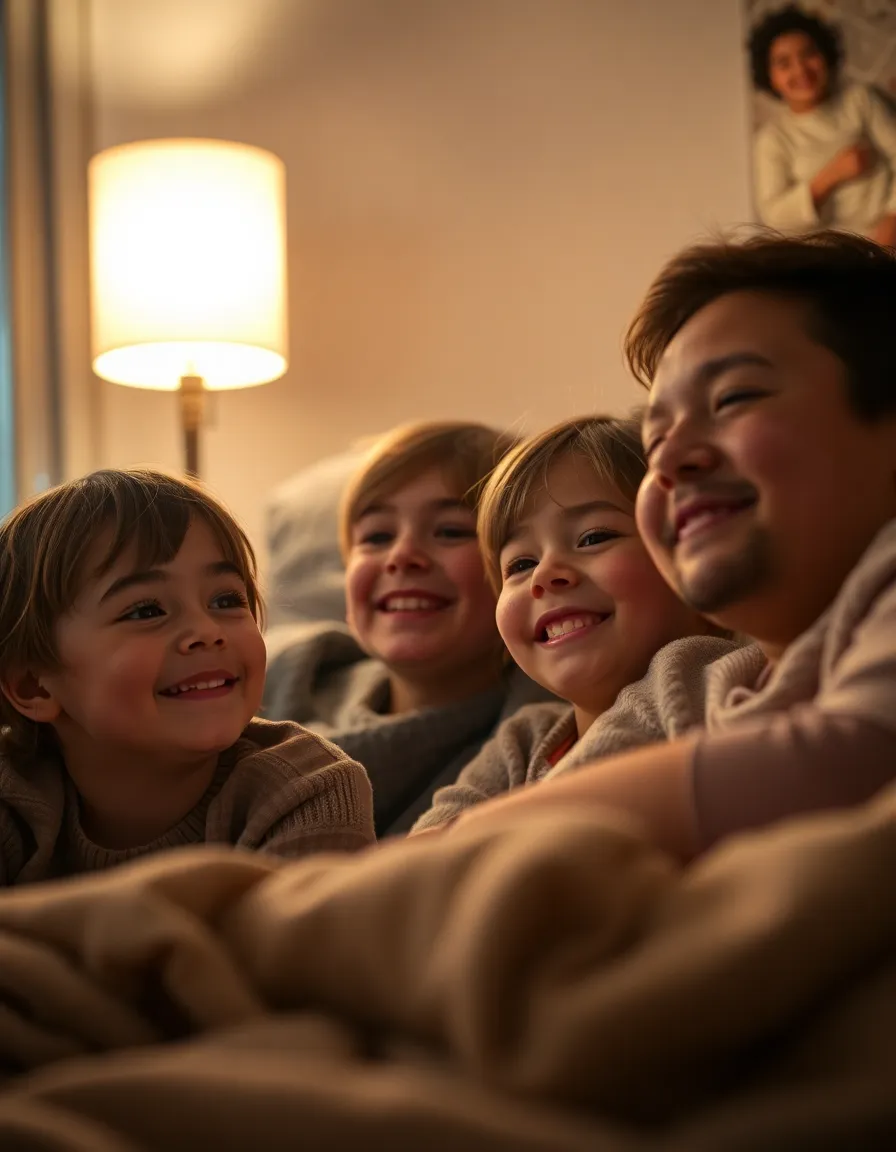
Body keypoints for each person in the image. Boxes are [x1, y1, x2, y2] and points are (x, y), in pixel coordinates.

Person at [442, 229, 896, 862]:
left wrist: (457, 854)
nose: (674, 458)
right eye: (656, 443)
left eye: (734, 397)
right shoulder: (736, 688)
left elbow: (849, 757)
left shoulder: (683, 685)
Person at [0, 469, 375, 884]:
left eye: (225, 599)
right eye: (146, 611)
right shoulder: (11, 796)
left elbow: (296, 946)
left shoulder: (311, 789)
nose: (207, 632)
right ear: (33, 686)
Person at [411, 415, 735, 833]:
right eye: (521, 563)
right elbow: (428, 844)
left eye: (593, 537)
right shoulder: (524, 740)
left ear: (691, 561)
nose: (546, 574)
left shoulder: (703, 673)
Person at [262, 421, 551, 836]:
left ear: (520, 568)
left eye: (450, 531)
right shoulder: (287, 681)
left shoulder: (528, 747)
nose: (402, 556)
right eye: (377, 536)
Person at [749, 4, 896, 246]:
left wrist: (891, 226)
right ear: (770, 77)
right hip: (830, 258)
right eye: (784, 63)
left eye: (808, 54)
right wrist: (830, 176)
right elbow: (775, 216)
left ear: (825, 56)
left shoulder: (860, 101)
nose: (801, 69)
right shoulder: (773, 139)